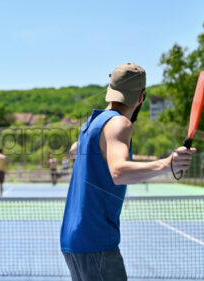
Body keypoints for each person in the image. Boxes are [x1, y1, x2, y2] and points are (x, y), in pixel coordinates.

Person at [60, 63, 196, 281]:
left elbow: (74, 150)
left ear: (110, 89)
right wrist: (168, 164)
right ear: (141, 97)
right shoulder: (119, 124)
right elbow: (119, 172)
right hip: (97, 242)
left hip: (72, 241)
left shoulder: (91, 124)